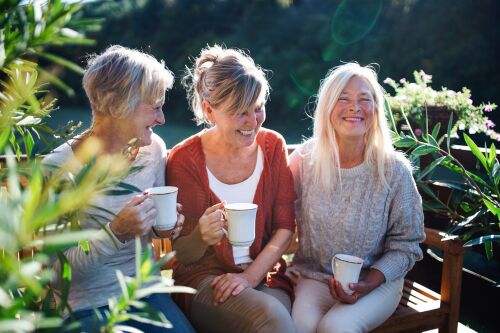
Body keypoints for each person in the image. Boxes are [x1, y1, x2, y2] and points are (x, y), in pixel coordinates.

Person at [43, 45, 195, 333]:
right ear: (114, 105)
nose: (162, 119)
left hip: (144, 292)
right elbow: (58, 274)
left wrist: (165, 227)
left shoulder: (153, 150)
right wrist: (114, 234)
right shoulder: (58, 170)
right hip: (85, 306)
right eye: (154, 107)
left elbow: (154, 232)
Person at [166, 45, 297, 333]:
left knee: (280, 321)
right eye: (240, 112)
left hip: (264, 276)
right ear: (209, 110)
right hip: (204, 281)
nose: (253, 122)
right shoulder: (184, 160)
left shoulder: (273, 145)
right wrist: (201, 235)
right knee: (273, 321)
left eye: (258, 107)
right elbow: (184, 255)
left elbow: (284, 228)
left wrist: (249, 277)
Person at [289, 63, 425, 333]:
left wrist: (369, 283)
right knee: (299, 327)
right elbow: (277, 217)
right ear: (327, 106)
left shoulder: (395, 171)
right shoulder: (304, 160)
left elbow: (407, 245)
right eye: (344, 98)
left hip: (378, 281)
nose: (355, 107)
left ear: (376, 111)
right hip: (315, 276)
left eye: (365, 99)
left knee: (336, 327)